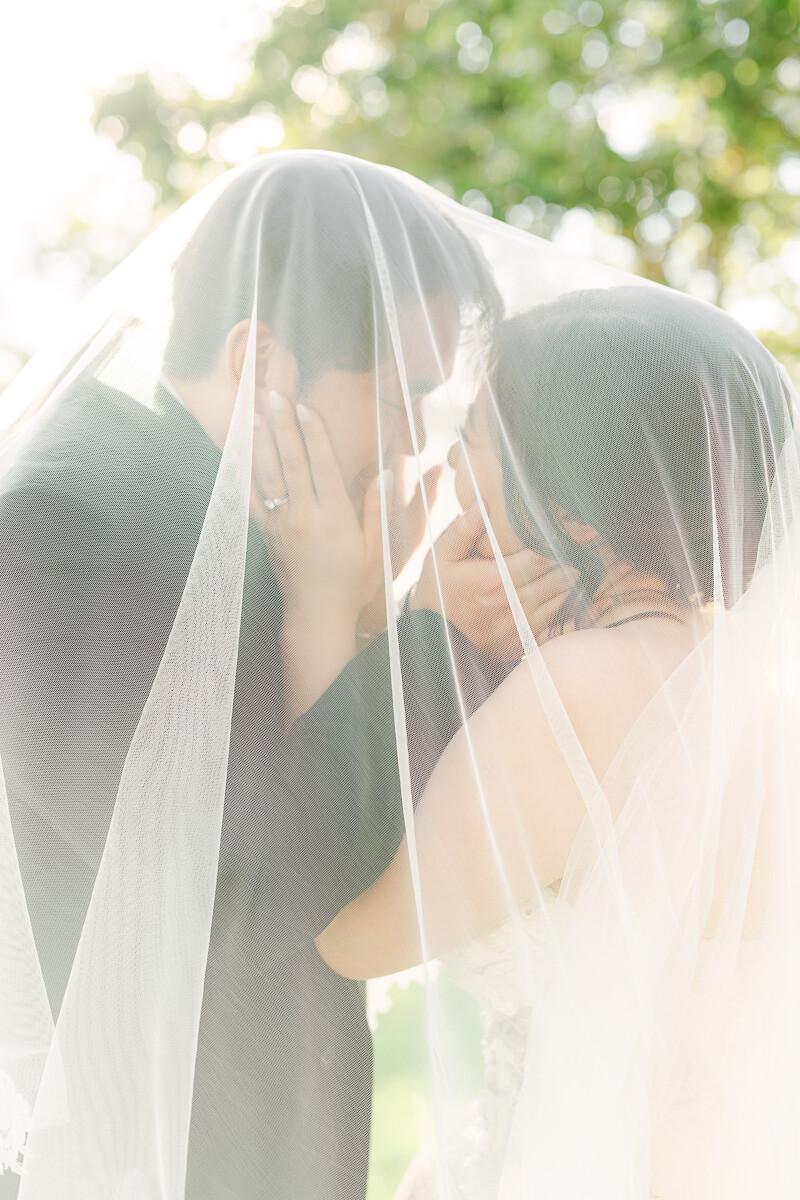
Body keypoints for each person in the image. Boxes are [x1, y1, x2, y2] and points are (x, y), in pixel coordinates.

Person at [0, 152, 529, 1199]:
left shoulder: (249, 520)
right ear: (259, 363)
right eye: (399, 395)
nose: (407, 444)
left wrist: (355, 609)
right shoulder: (58, 527)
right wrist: (420, 633)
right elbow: (244, 889)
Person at [269, 284, 800, 1198]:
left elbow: (346, 933)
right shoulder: (751, 696)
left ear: (579, 515)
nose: (450, 467)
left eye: (472, 436)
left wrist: (340, 610)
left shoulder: (582, 693)